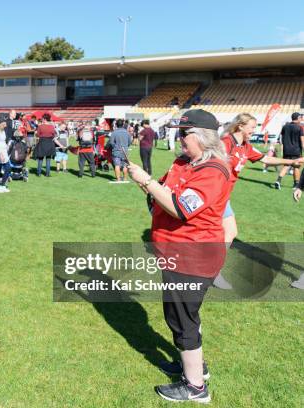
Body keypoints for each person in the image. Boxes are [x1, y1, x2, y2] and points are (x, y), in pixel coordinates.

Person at [128, 109, 231, 403]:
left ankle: (195, 387)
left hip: (192, 257)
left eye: (184, 133)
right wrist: (145, 183)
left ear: (203, 137)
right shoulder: (184, 162)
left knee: (182, 319)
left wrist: (147, 181)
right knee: (183, 316)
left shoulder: (212, 171)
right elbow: (161, 192)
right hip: (175, 253)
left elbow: (181, 208)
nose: (179, 138)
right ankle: (195, 366)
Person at [214, 113, 304, 289]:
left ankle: (212, 272)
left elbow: (265, 159)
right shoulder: (224, 144)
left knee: (229, 233)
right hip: (212, 197)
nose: (254, 131)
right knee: (214, 234)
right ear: (240, 126)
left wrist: (291, 162)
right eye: (252, 127)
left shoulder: (246, 147)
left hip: (223, 198)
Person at [274, 112, 303, 190]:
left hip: (286, 150)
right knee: (296, 167)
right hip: (296, 150)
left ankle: (278, 180)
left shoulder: (285, 126)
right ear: (297, 118)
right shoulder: (299, 128)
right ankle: (296, 184)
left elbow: (282, 138)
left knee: (286, 165)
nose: (301, 119)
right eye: (300, 117)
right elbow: (302, 140)